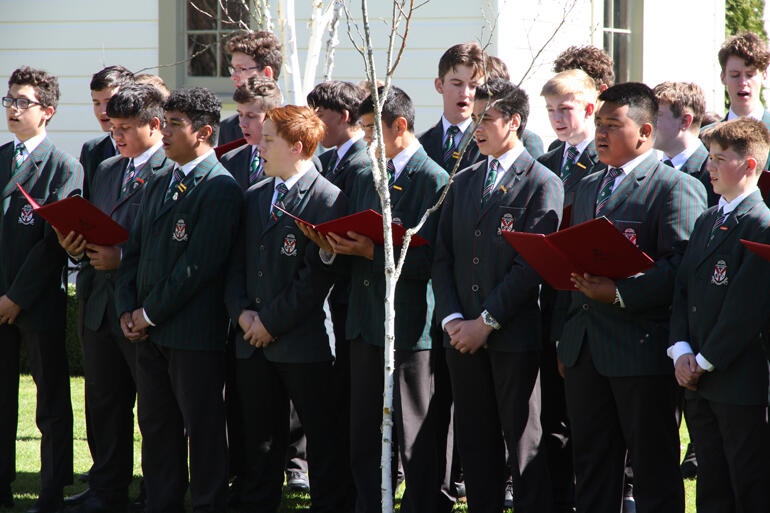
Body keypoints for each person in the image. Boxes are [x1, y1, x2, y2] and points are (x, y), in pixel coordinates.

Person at [557, 82, 706, 513]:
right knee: (591, 466)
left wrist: (620, 292)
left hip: (640, 350)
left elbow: (681, 267)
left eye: (612, 125)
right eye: (598, 124)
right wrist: (567, 337)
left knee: (653, 469)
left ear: (644, 132)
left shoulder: (672, 186)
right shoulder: (586, 186)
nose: (600, 133)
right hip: (585, 347)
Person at [433, 78, 562, 513]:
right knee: (474, 438)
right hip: (461, 337)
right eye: (475, 118)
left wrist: (485, 322)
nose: (476, 127)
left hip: (511, 336)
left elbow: (532, 268)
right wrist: (453, 319)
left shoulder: (542, 181)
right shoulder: (464, 178)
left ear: (514, 122)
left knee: (523, 441)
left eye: (486, 118)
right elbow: (443, 255)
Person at [324, 85, 454, 513]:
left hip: (410, 327)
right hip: (363, 322)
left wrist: (372, 251)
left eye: (369, 129)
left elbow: (433, 259)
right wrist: (329, 244)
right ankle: (369, 504)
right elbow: (347, 234)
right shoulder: (365, 174)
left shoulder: (432, 178)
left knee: (413, 430)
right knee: (362, 430)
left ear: (400, 126)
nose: (364, 140)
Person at [114, 87, 242, 513]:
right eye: (163, 122)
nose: (163, 132)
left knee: (202, 428)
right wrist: (126, 310)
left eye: (173, 124)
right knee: (156, 425)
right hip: (148, 333)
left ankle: (208, 504)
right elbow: (133, 252)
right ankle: (162, 503)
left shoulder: (221, 188)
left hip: (192, 334)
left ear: (204, 132)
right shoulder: (160, 179)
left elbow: (198, 268)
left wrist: (147, 313)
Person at [225, 104, 353, 513]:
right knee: (258, 436)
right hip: (252, 340)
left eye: (268, 141)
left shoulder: (328, 199)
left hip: (303, 343)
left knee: (322, 433)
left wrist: (270, 323)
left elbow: (316, 278)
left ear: (297, 147)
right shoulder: (255, 195)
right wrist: (243, 314)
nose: (258, 148)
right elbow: (236, 266)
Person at [56, 84, 171, 513]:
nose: (116, 135)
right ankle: (107, 488)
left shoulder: (167, 170)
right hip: (98, 302)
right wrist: (75, 244)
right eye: (112, 126)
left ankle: (156, 492)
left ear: (155, 126)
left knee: (154, 411)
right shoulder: (105, 168)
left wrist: (121, 257)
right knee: (104, 403)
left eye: (125, 128)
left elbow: (163, 245)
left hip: (141, 305)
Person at [669, 116, 770, 513]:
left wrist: (704, 361)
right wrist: (680, 350)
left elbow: (746, 310)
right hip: (698, 377)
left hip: (738, 379)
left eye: (720, 158)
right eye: (709, 157)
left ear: (749, 166)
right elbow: (683, 291)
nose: (709, 166)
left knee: (749, 482)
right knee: (711, 483)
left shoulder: (762, 224)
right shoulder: (708, 220)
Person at [0, 66, 83, 513]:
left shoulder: (63, 166)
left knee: (50, 400)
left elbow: (54, 243)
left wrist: (16, 297)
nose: (13, 108)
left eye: (23, 102)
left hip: (36, 302)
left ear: (47, 111)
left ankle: (51, 489)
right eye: (9, 100)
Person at [536, 68, 601, 513]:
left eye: (566, 109)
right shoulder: (547, 159)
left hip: (586, 297)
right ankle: (559, 495)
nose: (557, 119)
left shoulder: (602, 159)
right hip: (547, 296)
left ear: (590, 109)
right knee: (551, 411)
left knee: (589, 416)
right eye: (550, 111)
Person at [654, 81, 717, 207]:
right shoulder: (652, 172)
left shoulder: (713, 173)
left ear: (685, 121)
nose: (647, 123)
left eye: (657, 115)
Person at [219, 30, 283, 145]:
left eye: (241, 69)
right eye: (233, 69)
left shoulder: (299, 124)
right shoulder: (228, 129)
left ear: (267, 73)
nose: (233, 77)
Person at [80, 66, 135, 199]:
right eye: (96, 103)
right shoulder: (91, 150)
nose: (102, 111)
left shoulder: (144, 147)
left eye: (109, 102)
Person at [220, 76, 283, 190]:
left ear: (271, 116)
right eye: (240, 114)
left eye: (251, 116)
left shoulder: (289, 159)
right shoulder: (229, 159)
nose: (242, 124)